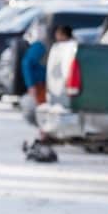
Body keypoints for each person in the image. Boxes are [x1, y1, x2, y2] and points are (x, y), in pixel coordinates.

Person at [23, 24, 72, 163]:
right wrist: (30, 84)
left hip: (50, 85)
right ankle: (42, 137)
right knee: (42, 111)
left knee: (46, 111)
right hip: (40, 84)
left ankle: (45, 137)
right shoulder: (42, 46)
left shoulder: (60, 47)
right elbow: (26, 63)